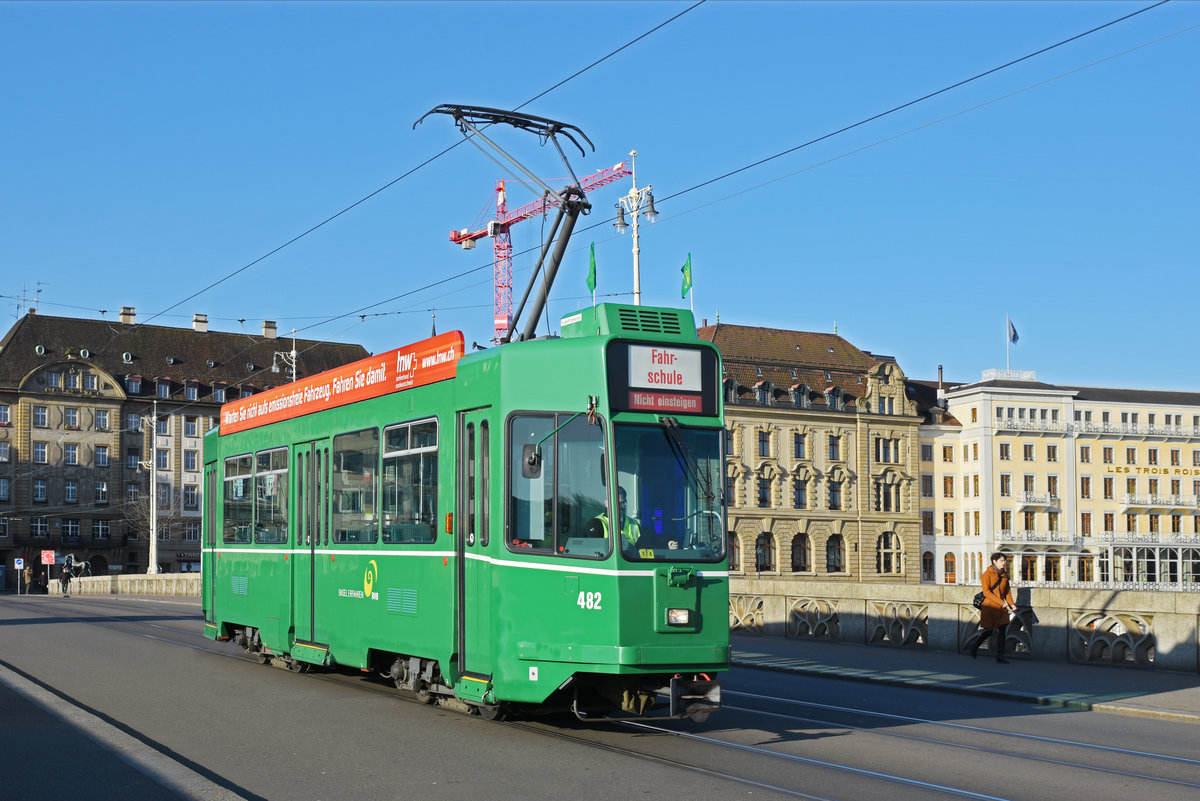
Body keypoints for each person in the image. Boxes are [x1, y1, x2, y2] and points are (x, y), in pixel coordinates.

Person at [972, 552, 1017, 663]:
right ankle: (974, 647)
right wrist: (1000, 602)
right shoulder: (987, 574)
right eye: (1002, 561)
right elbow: (986, 592)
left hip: (1001, 608)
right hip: (990, 607)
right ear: (994, 561)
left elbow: (1007, 592)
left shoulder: (1004, 575)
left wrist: (1011, 604)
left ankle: (1000, 656)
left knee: (1002, 631)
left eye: (1005, 560)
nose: (1004, 563)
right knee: (989, 631)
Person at [586, 486, 642, 550]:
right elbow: (594, 552)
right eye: (616, 503)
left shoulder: (634, 524)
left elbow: (641, 550)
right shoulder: (595, 524)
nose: (619, 506)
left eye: (622, 502)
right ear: (606, 503)